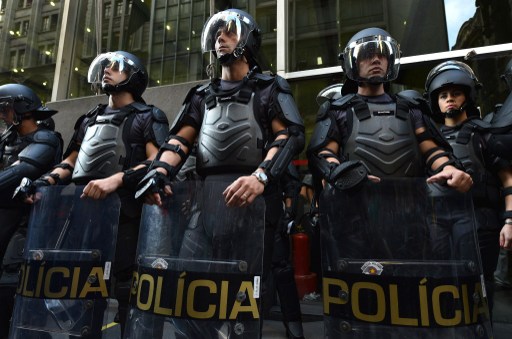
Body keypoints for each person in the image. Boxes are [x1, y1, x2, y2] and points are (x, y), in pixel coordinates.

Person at [136, 8, 305, 338]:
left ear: (247, 40)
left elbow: (290, 136)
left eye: (229, 32)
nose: (220, 38)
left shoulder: (270, 87)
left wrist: (262, 176)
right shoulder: (201, 95)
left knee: (245, 300)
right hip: (205, 207)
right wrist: (158, 174)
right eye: (216, 33)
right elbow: (177, 142)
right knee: (188, 297)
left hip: (253, 202)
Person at [22, 51, 169, 336]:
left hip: (126, 212)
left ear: (133, 76)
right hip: (84, 212)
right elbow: (70, 161)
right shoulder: (90, 118)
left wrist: (118, 179)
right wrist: (42, 182)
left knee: (128, 287)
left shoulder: (148, 115)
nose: (106, 71)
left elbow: (158, 160)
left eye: (115, 68)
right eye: (105, 67)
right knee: (83, 285)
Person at [307, 27, 472, 245]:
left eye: (382, 55)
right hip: (355, 218)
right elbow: (324, 154)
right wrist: (344, 175)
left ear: (390, 60)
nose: (376, 59)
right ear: (354, 63)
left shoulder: (411, 108)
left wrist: (450, 170)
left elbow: (432, 150)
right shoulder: (338, 110)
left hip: (411, 217)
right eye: (367, 55)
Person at [424, 60, 512, 317]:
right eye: (443, 95)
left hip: (479, 222)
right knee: (442, 291)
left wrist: (509, 220)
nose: (449, 99)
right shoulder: (430, 142)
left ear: (468, 95)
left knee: (478, 292)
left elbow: (508, 179)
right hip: (438, 223)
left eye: (455, 93)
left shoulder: (484, 134)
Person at [0, 84, 62, 338]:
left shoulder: (46, 139)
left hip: (30, 225)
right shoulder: (7, 139)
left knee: (12, 286)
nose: (3, 115)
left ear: (21, 108)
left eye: (5, 109)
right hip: (6, 219)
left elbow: (21, 171)